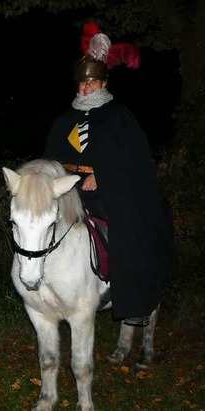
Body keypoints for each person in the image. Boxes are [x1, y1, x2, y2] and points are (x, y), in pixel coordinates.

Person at [43, 23, 175, 327]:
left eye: (92, 83)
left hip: (109, 187)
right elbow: (51, 158)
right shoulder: (65, 120)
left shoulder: (120, 117)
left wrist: (102, 175)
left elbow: (135, 158)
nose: (86, 88)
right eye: (82, 84)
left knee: (127, 223)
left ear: (103, 83)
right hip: (68, 187)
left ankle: (131, 296)